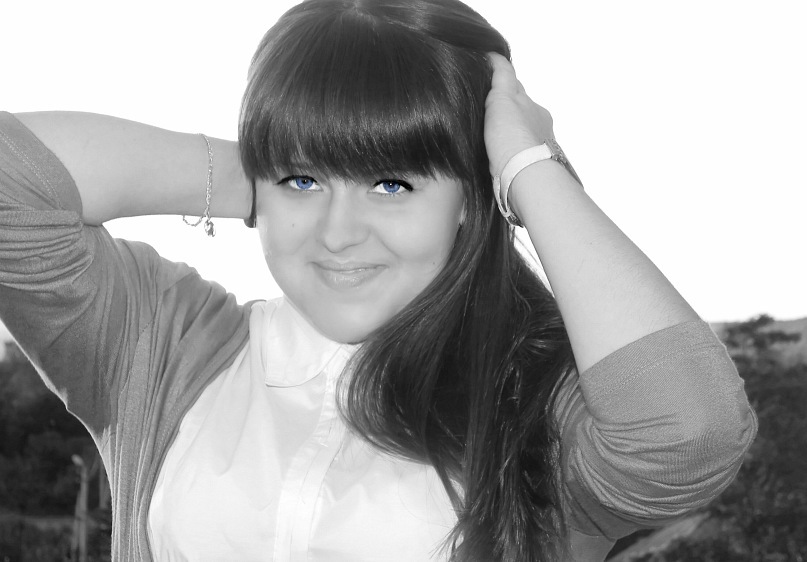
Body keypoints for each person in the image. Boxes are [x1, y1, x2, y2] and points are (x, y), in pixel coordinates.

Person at [0, 0, 757, 560]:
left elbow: (689, 436)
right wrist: (269, 162)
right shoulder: (161, 347)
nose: (337, 234)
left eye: (392, 185)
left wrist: (527, 166)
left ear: (470, 197)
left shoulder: (535, 406)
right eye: (302, 182)